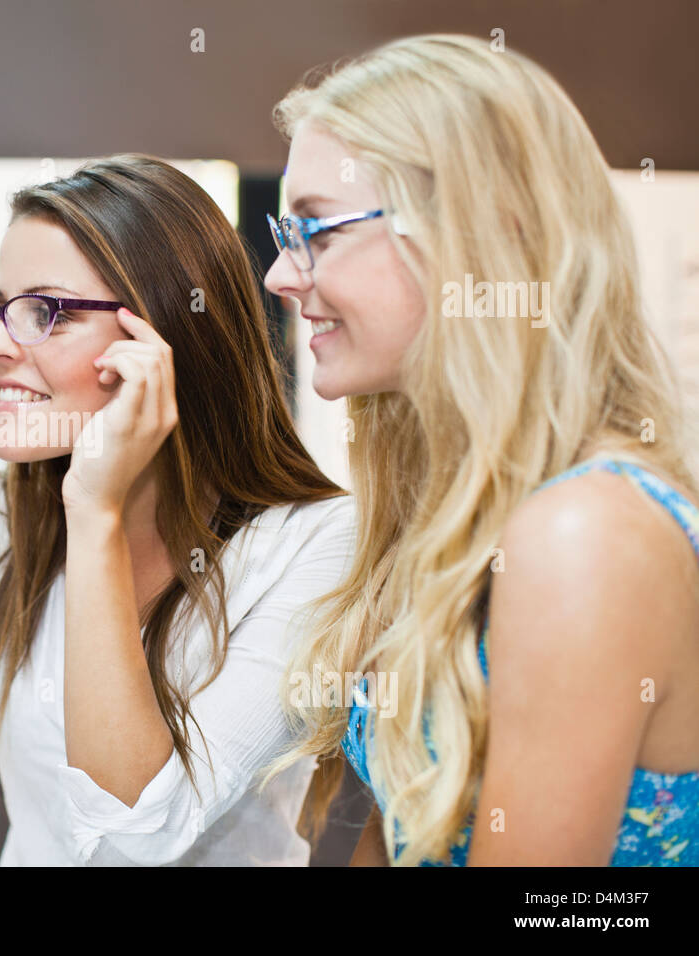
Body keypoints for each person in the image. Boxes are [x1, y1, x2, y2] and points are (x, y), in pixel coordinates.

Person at [0, 153, 357, 865]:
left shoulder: (315, 542)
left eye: (43, 313)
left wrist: (94, 511)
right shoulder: (3, 518)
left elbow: (141, 825)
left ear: (163, 340)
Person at [256, 34, 699, 866]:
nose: (280, 275)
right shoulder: (441, 510)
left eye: (316, 228)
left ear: (475, 235)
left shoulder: (587, 534)